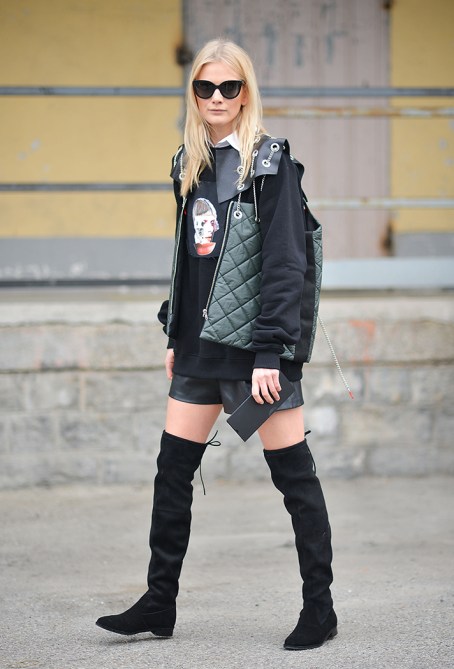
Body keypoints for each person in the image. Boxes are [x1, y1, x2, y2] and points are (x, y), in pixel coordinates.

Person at [96, 37, 337, 651]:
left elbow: (285, 265)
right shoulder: (190, 163)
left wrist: (272, 353)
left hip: (256, 351)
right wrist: (173, 330)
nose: (217, 98)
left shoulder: (271, 165)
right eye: (205, 87)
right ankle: (159, 603)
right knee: (172, 473)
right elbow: (189, 260)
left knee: (294, 479)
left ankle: (320, 609)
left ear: (246, 92)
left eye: (229, 87)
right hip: (198, 348)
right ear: (195, 93)